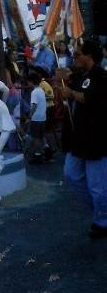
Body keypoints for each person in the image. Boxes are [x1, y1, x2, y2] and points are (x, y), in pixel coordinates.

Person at [60, 39, 107, 239]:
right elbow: (72, 86)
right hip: (79, 139)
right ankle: (101, 211)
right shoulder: (83, 76)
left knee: (98, 187)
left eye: (78, 54)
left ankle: (102, 222)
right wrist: (64, 81)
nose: (75, 57)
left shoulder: (101, 76)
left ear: (89, 56)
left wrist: (71, 92)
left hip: (96, 140)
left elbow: (90, 98)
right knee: (70, 174)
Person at [25, 71, 47, 164]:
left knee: (36, 138)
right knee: (41, 137)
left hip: (36, 118)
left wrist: (29, 117)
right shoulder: (41, 90)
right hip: (42, 117)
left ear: (31, 81)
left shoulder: (34, 92)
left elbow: (33, 106)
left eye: (28, 81)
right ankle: (46, 151)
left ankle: (38, 156)